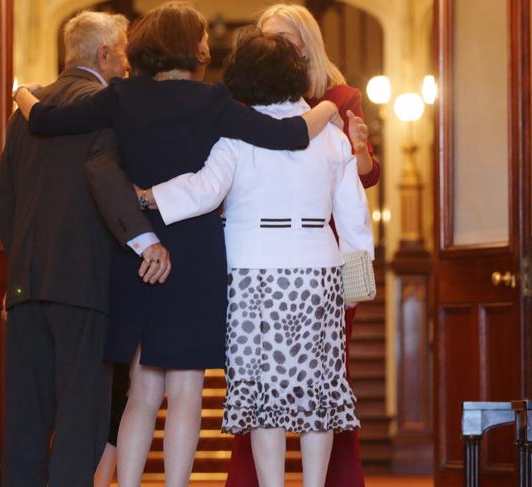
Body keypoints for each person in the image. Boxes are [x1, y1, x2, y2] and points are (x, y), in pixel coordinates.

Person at [13, 3, 343, 485]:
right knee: (186, 390)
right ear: (195, 46)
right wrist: (331, 106)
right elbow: (288, 135)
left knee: (142, 390)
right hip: (195, 252)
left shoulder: (121, 96)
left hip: (135, 251)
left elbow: (43, 119)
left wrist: (20, 89)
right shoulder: (212, 101)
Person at [143, 28, 374, 487]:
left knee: (262, 393)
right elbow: (353, 217)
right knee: (318, 394)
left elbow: (203, 192)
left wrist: (147, 197)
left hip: (253, 275)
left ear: (245, 78)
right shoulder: (331, 137)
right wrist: (356, 277)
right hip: (317, 272)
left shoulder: (237, 138)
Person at [0, 11, 170, 487]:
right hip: (84, 284)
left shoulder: (25, 111)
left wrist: (19, 270)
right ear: (105, 54)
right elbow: (105, 176)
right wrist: (144, 239)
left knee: (25, 422)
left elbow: (5, 201)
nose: (129, 67)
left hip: (26, 285)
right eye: (124, 55)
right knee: (80, 420)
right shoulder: (107, 105)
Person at [223, 5, 381, 486]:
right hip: (261, 261)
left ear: (307, 42)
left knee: (327, 383)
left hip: (323, 261)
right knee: (259, 382)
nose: (275, 46)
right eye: (267, 37)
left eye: (285, 39)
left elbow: (366, 178)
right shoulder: (248, 99)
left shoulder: (341, 95)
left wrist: (358, 147)